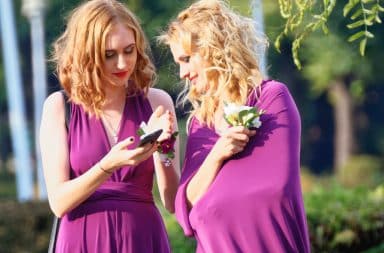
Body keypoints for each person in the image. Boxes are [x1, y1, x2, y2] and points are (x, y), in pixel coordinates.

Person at [158, 0, 310, 252]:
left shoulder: (271, 98)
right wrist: (217, 154)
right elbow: (185, 208)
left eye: (186, 59)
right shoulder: (200, 122)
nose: (182, 73)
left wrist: (206, 201)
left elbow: (272, 192)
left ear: (213, 47)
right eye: (178, 63)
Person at [39, 0, 179, 252]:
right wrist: (107, 165)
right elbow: (59, 203)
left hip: (143, 238)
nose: (123, 64)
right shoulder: (60, 107)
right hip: (81, 240)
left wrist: (165, 147)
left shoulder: (157, 101)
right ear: (86, 55)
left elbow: (171, 201)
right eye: (109, 55)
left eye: (129, 50)